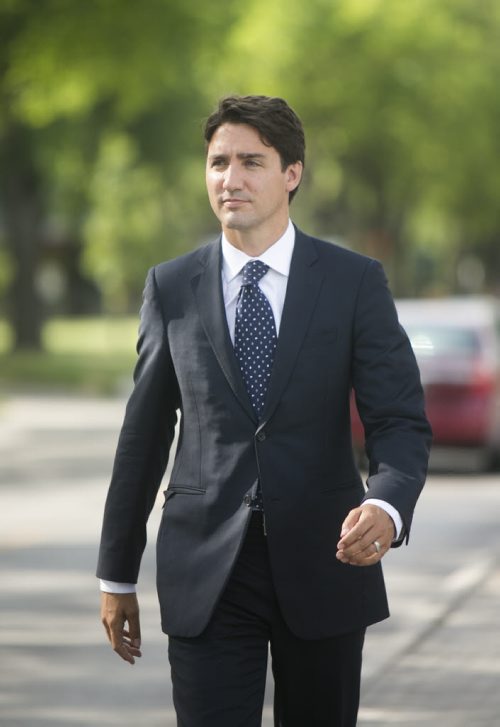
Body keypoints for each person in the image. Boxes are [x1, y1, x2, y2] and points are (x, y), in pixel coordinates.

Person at [97, 95, 431, 726]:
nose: (231, 179)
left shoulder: (354, 281)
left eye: (252, 161)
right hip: (206, 571)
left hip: (328, 559)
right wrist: (117, 575)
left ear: (292, 174)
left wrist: (387, 505)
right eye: (219, 162)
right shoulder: (171, 288)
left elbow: (399, 421)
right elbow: (142, 438)